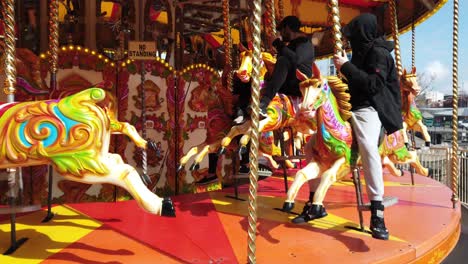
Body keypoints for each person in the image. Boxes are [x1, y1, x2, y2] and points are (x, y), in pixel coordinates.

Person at [334, 13, 402, 240]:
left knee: (368, 147)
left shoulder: (379, 54)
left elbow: (372, 85)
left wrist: (346, 67)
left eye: (352, 37)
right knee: (315, 139)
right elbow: (354, 81)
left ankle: (377, 209)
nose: (350, 41)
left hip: (370, 108)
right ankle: (314, 200)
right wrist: (345, 67)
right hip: (352, 106)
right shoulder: (361, 54)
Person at [233, 16, 315, 124]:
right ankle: (241, 109)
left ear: (287, 28)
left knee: (283, 61)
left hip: (299, 83)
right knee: (253, 78)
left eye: (282, 30)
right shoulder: (290, 45)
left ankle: (263, 104)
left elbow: (296, 60)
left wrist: (277, 43)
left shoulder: (305, 43)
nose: (281, 33)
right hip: (285, 81)